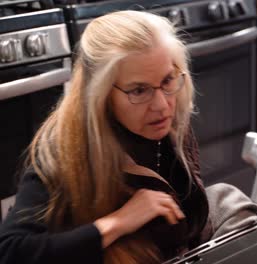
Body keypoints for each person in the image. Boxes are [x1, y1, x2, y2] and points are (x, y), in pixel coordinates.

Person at [0, 10, 214, 264]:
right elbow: (11, 252)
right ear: (101, 95)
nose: (162, 106)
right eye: (138, 90)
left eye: (167, 80)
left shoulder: (169, 120)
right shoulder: (64, 152)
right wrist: (119, 221)